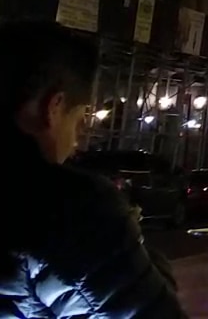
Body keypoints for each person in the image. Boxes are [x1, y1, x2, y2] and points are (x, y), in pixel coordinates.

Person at [0, 20, 188, 319]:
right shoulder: (71, 208)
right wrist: (137, 247)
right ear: (53, 107)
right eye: (77, 121)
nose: (77, 142)